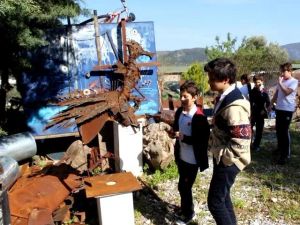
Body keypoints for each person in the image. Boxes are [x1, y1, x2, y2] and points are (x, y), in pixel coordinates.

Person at [204, 58, 251, 225]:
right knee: (223, 198)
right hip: (223, 157)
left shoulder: (234, 106)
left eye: (212, 79)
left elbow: (242, 141)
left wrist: (224, 158)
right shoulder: (225, 97)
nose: (209, 82)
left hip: (229, 161)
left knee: (215, 203)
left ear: (225, 80)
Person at [172, 80, 210, 225]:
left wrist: (184, 137)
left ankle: (189, 214)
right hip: (181, 156)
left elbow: (203, 140)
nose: (181, 99)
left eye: (185, 97)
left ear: (194, 97)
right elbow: (176, 128)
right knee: (182, 185)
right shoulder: (180, 112)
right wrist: (173, 133)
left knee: (185, 187)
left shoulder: (199, 117)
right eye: (181, 96)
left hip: (193, 160)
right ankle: (184, 208)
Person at [268, 62, 298, 165]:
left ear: (289, 71)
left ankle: (286, 155)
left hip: (287, 110)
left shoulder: (294, 81)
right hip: (279, 109)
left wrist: (280, 83)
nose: (282, 73)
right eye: (281, 71)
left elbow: (286, 92)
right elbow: (277, 93)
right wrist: (271, 104)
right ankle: (280, 149)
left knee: (284, 132)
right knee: (279, 130)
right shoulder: (282, 81)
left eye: (283, 71)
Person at [249, 74, 270, 151]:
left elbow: (268, 102)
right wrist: (250, 112)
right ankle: (249, 144)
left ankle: (256, 145)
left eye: (258, 82)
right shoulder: (252, 92)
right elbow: (250, 103)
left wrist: (265, 110)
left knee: (259, 130)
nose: (257, 84)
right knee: (249, 129)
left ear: (262, 82)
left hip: (261, 113)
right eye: (255, 82)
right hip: (253, 112)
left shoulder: (264, 91)